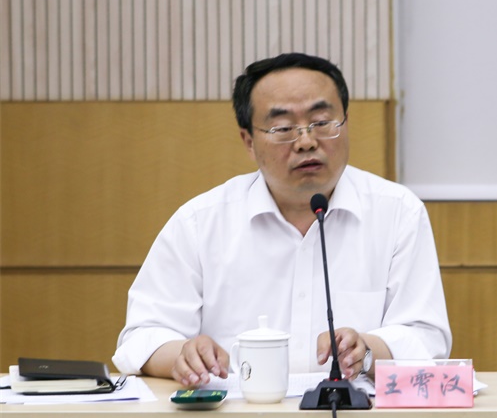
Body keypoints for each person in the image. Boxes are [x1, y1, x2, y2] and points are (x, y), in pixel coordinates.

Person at [113, 53, 452, 387]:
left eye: (322, 122)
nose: (306, 142)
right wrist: (183, 355)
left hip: (355, 414)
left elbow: (427, 337)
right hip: (238, 417)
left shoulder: (397, 212)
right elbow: (142, 336)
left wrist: (366, 349)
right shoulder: (200, 222)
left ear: (345, 123)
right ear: (249, 141)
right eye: (283, 128)